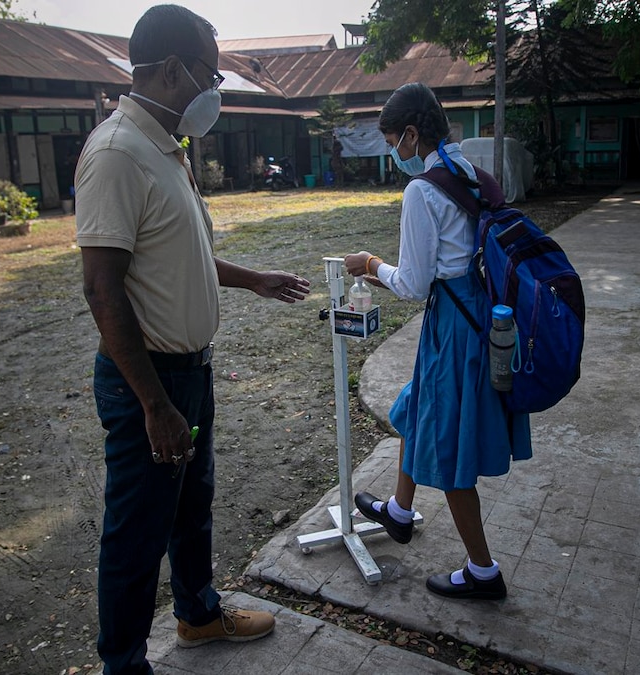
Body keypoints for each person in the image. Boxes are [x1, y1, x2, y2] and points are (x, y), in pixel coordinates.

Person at [73, 5, 311, 673]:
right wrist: (153, 403)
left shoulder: (164, 147)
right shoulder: (118, 152)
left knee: (190, 506)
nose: (216, 90)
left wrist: (252, 279)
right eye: (212, 74)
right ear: (173, 69)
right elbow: (102, 288)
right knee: (136, 533)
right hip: (149, 379)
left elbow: (180, 258)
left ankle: (199, 615)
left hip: (190, 372)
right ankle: (122, 663)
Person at [343, 83, 532, 601]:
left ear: (410, 135)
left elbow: (413, 284)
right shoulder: (472, 172)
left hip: (454, 324)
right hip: (481, 313)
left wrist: (370, 265)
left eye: (391, 141)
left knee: (447, 451)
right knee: (414, 409)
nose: (392, 153)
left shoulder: (422, 191)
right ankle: (400, 511)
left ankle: (483, 571)